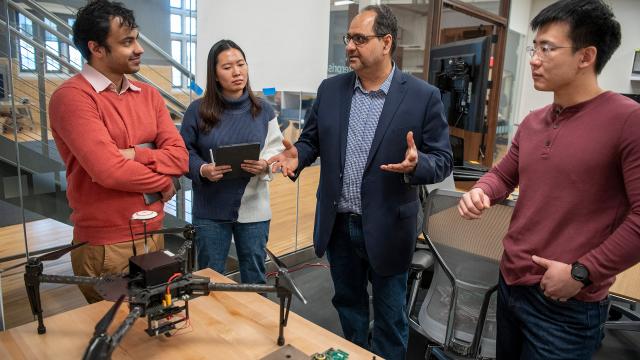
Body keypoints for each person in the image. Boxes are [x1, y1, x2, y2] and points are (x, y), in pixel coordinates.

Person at [457, 1, 640, 359]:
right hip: (511, 284)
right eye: (534, 47)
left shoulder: (628, 121)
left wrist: (583, 272)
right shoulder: (534, 120)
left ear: (586, 56)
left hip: (567, 304)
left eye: (547, 48)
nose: (534, 59)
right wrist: (482, 191)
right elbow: (503, 174)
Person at [269, 5, 452, 359]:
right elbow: (311, 140)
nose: (349, 46)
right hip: (339, 226)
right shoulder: (331, 90)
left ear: (386, 43)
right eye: (347, 38)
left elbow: (443, 161)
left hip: (389, 226)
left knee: (389, 318)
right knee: (349, 308)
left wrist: (418, 164)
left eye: (359, 38)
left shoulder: (422, 96)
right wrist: (298, 156)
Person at [49, 0, 188, 303]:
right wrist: (163, 181)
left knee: (154, 330)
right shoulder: (72, 98)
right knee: (117, 337)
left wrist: (136, 154)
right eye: (127, 42)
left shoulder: (148, 95)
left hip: (153, 233)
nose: (138, 48)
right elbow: (109, 170)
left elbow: (180, 157)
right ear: (96, 48)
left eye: (136, 38)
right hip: (107, 245)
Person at [180, 40, 284, 284]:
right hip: (210, 209)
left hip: (254, 208)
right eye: (227, 67)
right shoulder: (197, 111)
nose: (237, 72)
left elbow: (275, 148)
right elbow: (182, 152)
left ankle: (252, 323)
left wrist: (266, 165)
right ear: (214, 75)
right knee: (209, 278)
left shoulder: (264, 110)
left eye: (241, 64)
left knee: (254, 276)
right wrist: (203, 169)